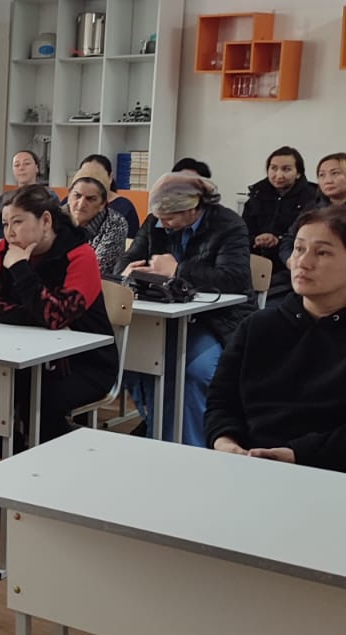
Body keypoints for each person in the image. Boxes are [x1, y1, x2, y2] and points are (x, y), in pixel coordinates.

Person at [120, 205, 346, 635]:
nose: (302, 261)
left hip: (328, 484)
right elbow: (221, 399)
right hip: (248, 473)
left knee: (230, 572)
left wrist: (293, 456)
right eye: (299, 248)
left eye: (323, 251)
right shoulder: (262, 325)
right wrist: (225, 443)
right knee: (190, 560)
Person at [121, 170, 252, 445]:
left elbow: (235, 279)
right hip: (162, 318)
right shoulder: (155, 221)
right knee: (134, 362)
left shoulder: (229, 225)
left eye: (170, 218)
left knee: (192, 371)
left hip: (216, 320)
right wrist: (129, 269)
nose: (163, 224)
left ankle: (191, 444)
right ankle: (159, 432)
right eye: (159, 217)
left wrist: (178, 270)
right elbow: (128, 259)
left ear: (193, 209)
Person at [0, 186, 116, 444]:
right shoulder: (4, 249)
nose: (10, 232)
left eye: (18, 222)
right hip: (23, 356)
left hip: (84, 363)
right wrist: (36, 316)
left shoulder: (80, 255)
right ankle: (20, 459)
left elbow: (56, 316)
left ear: (46, 221)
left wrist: (20, 268)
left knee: (40, 405)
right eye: (5, 224)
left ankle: (68, 457)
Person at [241, 146, 317, 295]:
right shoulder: (257, 194)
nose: (278, 175)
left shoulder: (312, 197)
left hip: (290, 267)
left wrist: (278, 239)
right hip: (256, 262)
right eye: (273, 168)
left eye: (286, 169)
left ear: (298, 173)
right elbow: (242, 233)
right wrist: (256, 239)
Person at [277, 151, 346, 276]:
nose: (328, 180)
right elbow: (289, 239)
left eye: (335, 173)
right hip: (304, 271)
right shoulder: (313, 208)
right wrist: (291, 261)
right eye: (322, 175)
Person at [66, 171, 124, 278]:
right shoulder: (53, 218)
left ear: (102, 204)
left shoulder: (115, 223)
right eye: (77, 196)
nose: (81, 204)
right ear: (68, 197)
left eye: (90, 199)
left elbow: (95, 268)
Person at [79, 153, 139, 236]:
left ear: (110, 177)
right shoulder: (70, 202)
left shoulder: (125, 207)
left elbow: (131, 241)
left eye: (97, 176)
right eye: (85, 177)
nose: (91, 182)